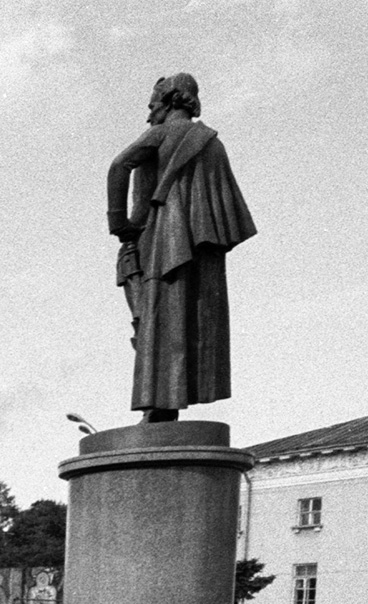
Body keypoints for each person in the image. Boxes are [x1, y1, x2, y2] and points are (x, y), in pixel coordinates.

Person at [105, 73, 255, 422]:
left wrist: (119, 222)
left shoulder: (160, 134)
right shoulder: (213, 144)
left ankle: (159, 406)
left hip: (163, 240)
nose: (148, 115)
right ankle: (169, 404)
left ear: (171, 100)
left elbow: (118, 166)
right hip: (202, 247)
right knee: (188, 320)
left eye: (152, 105)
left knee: (158, 317)